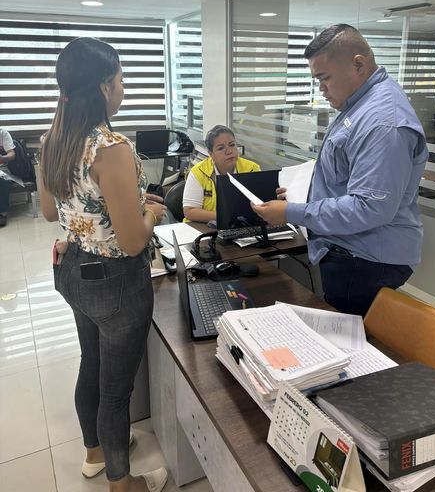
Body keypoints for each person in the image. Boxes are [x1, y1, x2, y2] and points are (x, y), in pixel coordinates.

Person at [39, 37, 168, 492]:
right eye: (120, 80)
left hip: (73, 269)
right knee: (116, 391)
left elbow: (51, 212)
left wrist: (106, 214)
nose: (123, 89)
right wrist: (151, 213)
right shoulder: (110, 147)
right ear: (103, 87)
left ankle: (95, 454)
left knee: (90, 363)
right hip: (116, 282)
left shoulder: (53, 139)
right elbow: (132, 243)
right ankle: (122, 483)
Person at [253, 24, 428, 317]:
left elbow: (370, 208)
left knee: (348, 340)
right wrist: (301, 195)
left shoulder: (383, 123)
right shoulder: (359, 103)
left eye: (325, 78)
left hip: (365, 260)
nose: (321, 88)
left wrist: (290, 213)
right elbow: (346, 175)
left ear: (358, 64)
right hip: (353, 251)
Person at [183, 124, 260, 223]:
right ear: (211, 154)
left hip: (242, 225)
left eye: (232, 145)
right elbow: (190, 211)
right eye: (220, 148)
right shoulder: (198, 172)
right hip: (203, 227)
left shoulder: (251, 168)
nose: (229, 151)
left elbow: (261, 204)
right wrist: (227, 216)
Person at [0, 128, 16, 227]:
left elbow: (12, 154)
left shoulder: (2, 133)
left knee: (3, 180)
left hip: (2, 168)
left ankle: (2, 213)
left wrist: (2, 158)